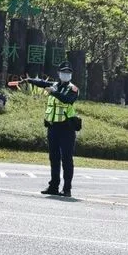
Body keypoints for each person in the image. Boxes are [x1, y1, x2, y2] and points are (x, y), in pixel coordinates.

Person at [23, 61, 79, 197]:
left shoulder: (73, 89)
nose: (66, 75)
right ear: (59, 74)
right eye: (63, 72)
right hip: (53, 127)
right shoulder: (53, 85)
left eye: (68, 73)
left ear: (71, 75)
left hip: (67, 128)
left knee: (66, 158)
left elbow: (67, 100)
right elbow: (42, 82)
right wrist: (28, 80)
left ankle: (67, 189)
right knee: (54, 158)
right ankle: (53, 186)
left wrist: (54, 92)